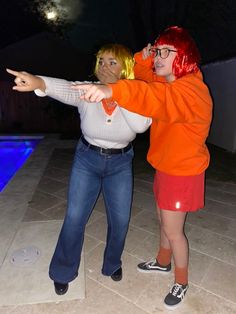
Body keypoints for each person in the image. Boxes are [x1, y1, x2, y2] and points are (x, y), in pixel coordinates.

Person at [70, 26, 213, 310]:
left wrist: (111, 89)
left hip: (182, 171)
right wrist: (144, 57)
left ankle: (181, 281)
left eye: (164, 52)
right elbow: (143, 75)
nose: (157, 57)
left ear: (182, 55)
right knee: (163, 219)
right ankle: (162, 261)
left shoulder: (191, 92)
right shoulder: (170, 80)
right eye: (156, 50)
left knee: (174, 231)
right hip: (166, 165)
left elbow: (150, 97)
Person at [7, 43, 151, 296]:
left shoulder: (139, 93)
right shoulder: (88, 90)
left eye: (112, 62)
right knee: (74, 218)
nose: (104, 67)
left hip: (120, 163)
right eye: (101, 61)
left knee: (120, 220)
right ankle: (63, 271)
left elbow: (139, 126)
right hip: (88, 159)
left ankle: (112, 264)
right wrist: (39, 81)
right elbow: (64, 88)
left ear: (126, 67)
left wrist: (114, 93)